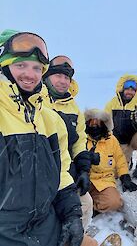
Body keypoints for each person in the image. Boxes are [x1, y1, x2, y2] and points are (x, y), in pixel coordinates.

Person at [0, 29, 94, 246]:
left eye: (36, 68)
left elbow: (61, 169)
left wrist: (71, 215)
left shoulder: (49, 120)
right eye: (20, 65)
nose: (30, 74)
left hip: (42, 222)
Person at [43, 55, 99, 234]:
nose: (63, 81)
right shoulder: (36, 99)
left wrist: (83, 170)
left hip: (65, 170)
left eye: (67, 77)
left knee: (85, 203)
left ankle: (73, 238)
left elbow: (79, 142)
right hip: (39, 169)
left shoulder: (74, 108)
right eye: (58, 75)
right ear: (47, 76)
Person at [84, 108, 137, 212]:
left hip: (104, 180)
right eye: (92, 121)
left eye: (98, 121)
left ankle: (92, 208)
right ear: (87, 122)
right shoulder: (81, 138)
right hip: (83, 179)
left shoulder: (111, 139)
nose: (94, 124)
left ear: (104, 123)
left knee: (114, 203)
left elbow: (120, 159)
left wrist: (124, 176)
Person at [105, 74, 137, 179]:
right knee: (117, 174)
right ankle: (127, 161)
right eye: (127, 89)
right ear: (122, 88)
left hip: (135, 138)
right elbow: (105, 121)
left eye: (133, 90)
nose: (130, 92)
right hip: (120, 142)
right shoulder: (112, 104)